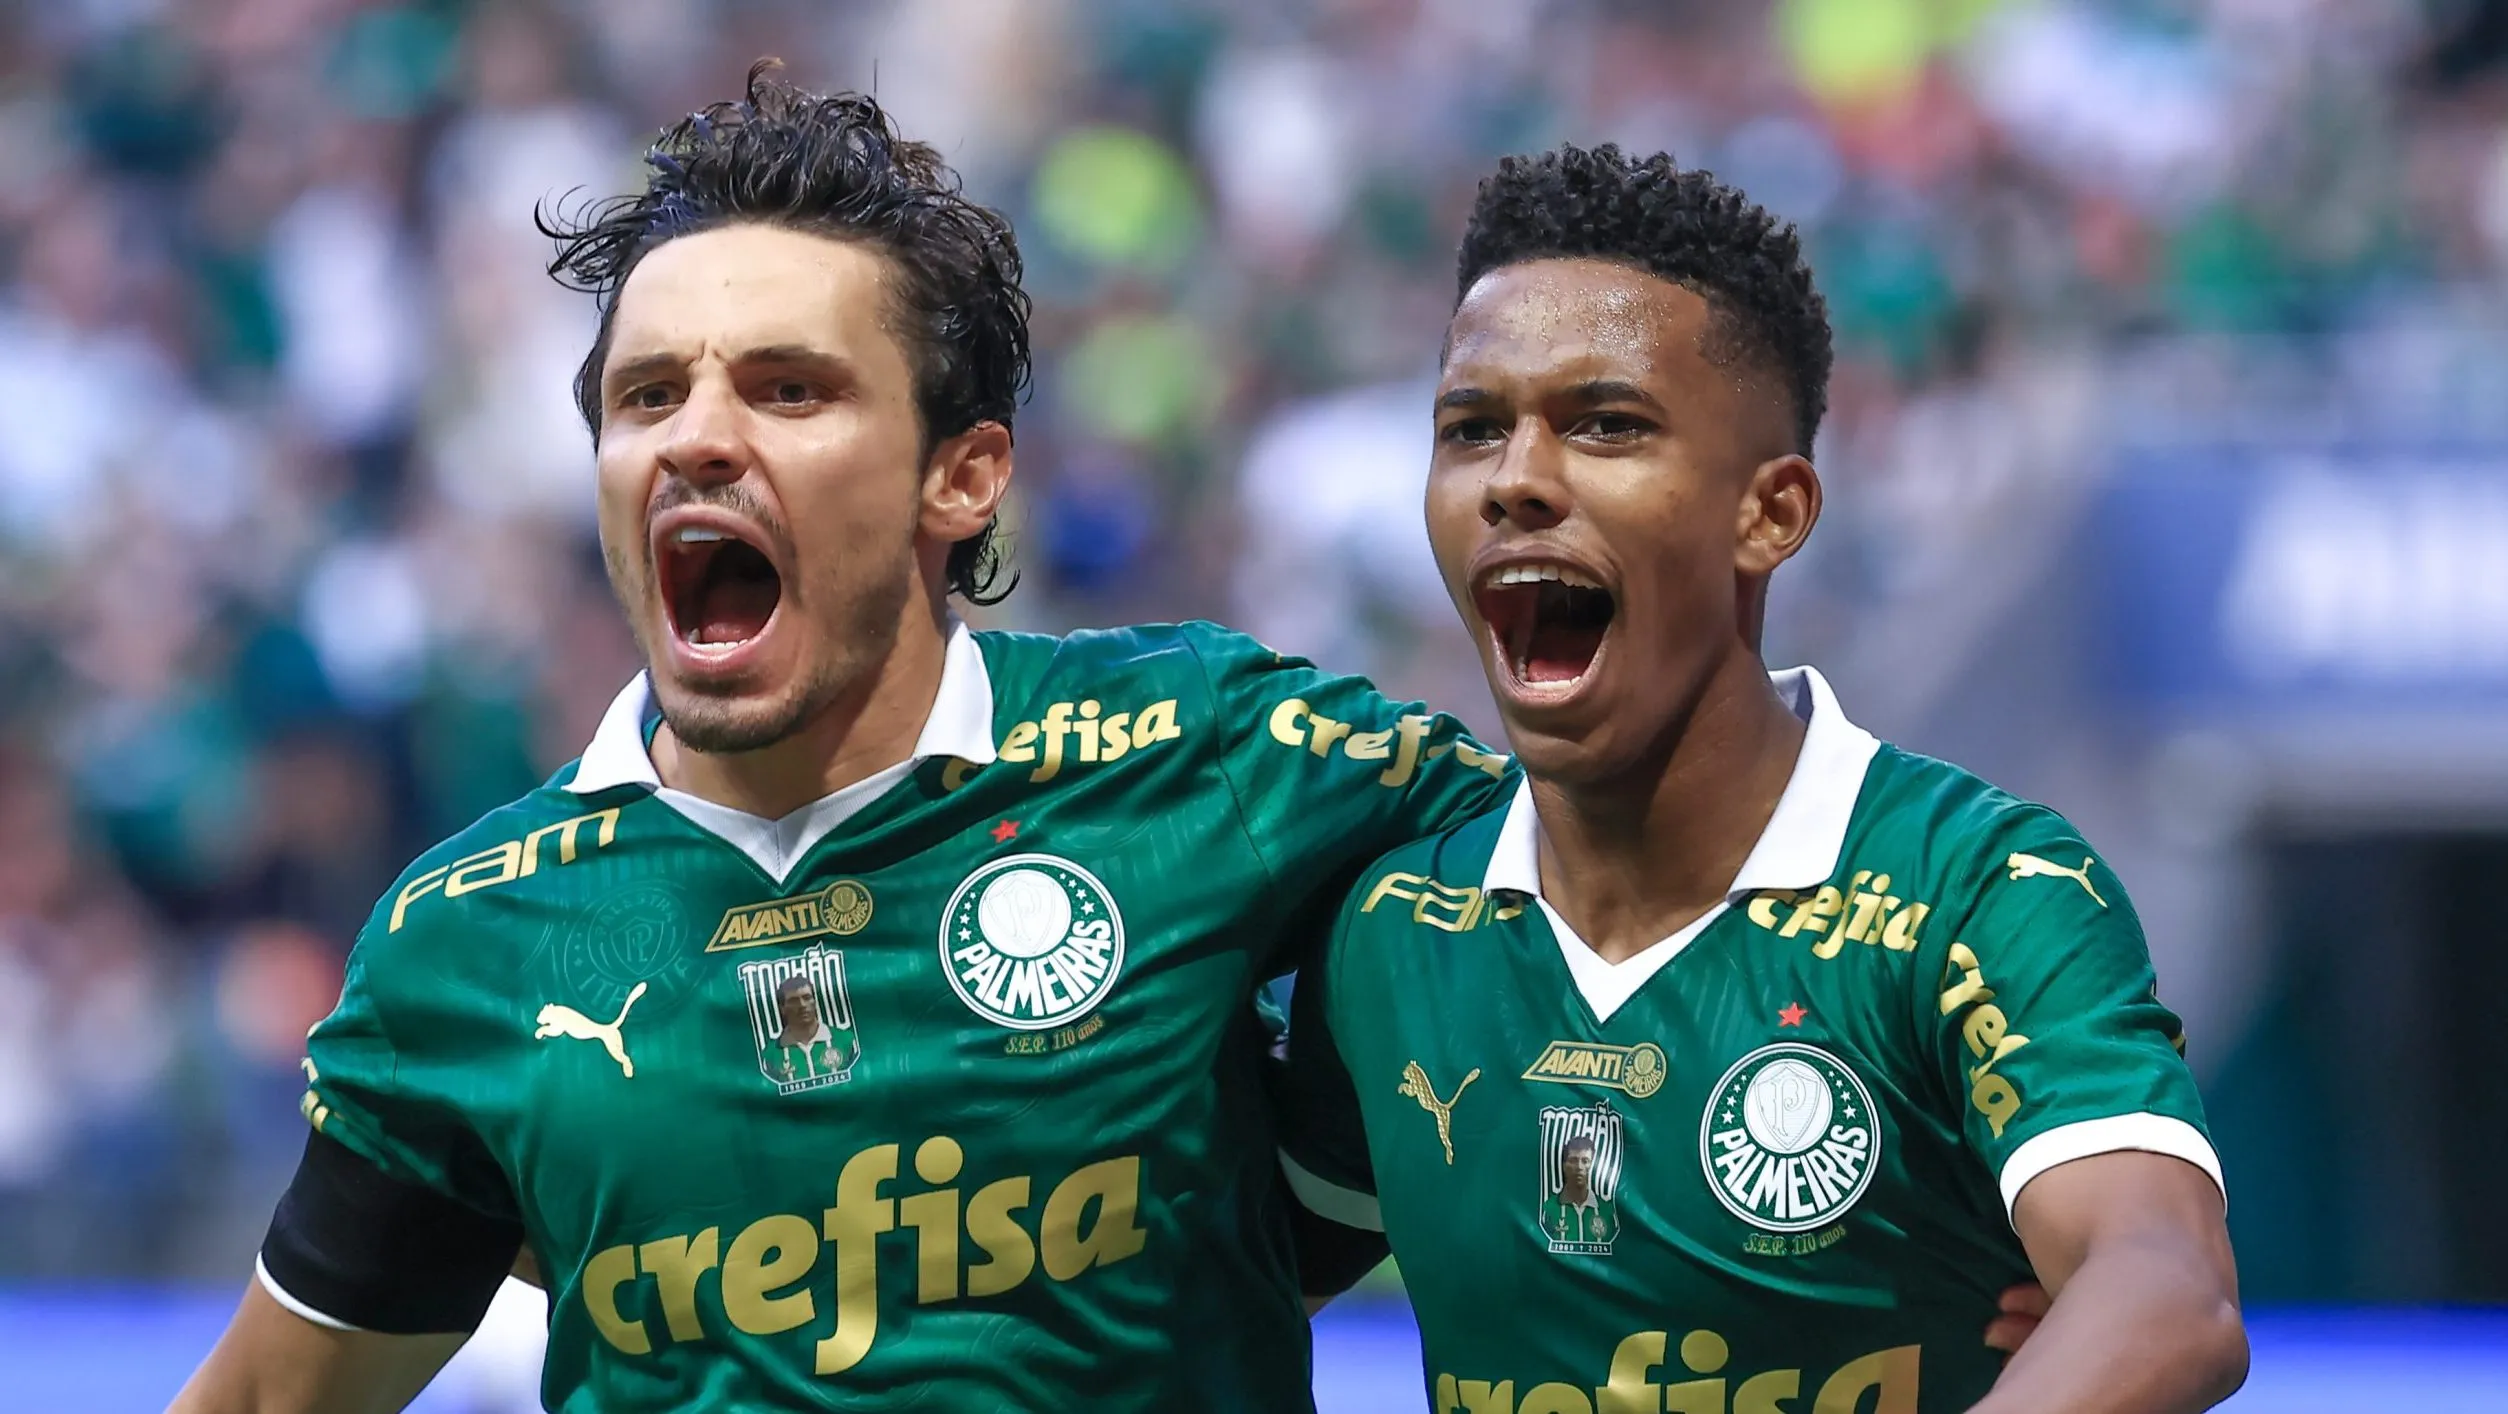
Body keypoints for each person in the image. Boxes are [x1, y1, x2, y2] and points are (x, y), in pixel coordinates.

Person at [171, 65, 1520, 1412]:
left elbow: (1582, 854)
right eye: (648, 397)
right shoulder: (467, 948)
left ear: (965, 473)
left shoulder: (1208, 751)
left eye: (788, 390)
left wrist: (1323, 1188)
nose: (697, 436)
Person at [1279, 145, 2246, 1414]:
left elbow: (2168, 1290)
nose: (1515, 477)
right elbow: (1206, 1276)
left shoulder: (1980, 891)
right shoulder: (1394, 932)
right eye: (1472, 428)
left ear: (1771, 512)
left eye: (1604, 424)